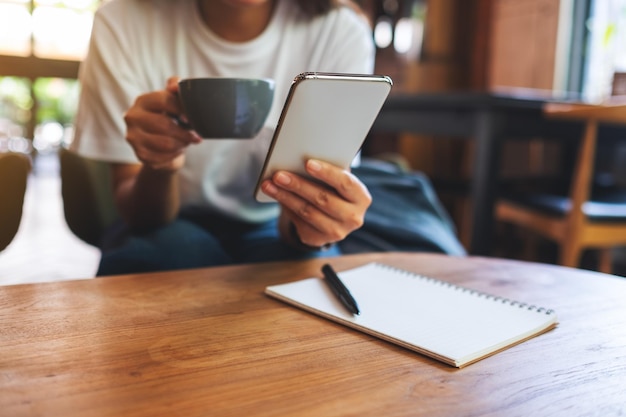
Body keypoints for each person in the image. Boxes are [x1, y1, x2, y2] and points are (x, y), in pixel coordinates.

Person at [71, 0, 376, 275]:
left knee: (306, 278)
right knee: (167, 254)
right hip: (168, 223)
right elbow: (139, 215)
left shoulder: (339, 32)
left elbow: (295, 222)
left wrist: (310, 226)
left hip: (274, 222)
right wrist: (160, 165)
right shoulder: (123, 23)